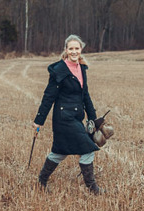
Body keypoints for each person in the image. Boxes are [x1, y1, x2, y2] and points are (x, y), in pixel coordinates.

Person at [33, 34, 104, 194]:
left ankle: (41, 181)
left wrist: (94, 119)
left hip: (76, 118)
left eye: (77, 48)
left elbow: (85, 95)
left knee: (60, 152)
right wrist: (39, 120)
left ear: (81, 50)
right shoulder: (59, 71)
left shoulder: (81, 68)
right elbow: (48, 96)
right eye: (71, 48)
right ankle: (93, 189)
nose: (74, 51)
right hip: (63, 119)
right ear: (66, 50)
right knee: (88, 149)